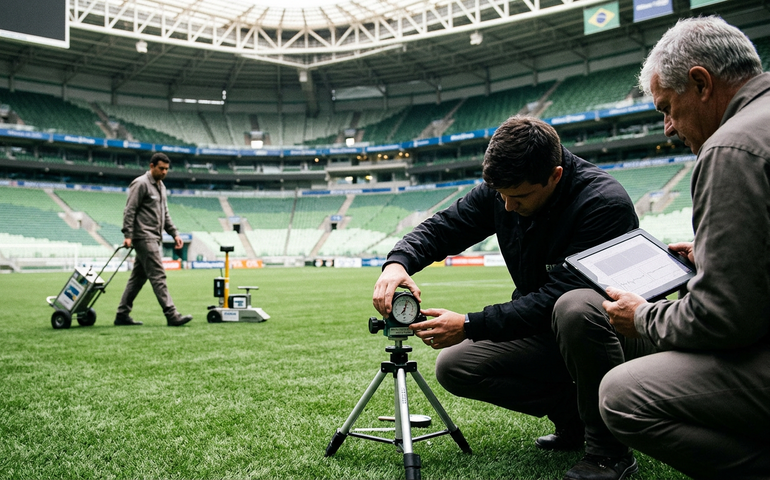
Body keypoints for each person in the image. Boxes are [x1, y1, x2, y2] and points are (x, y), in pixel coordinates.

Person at [372, 116, 640, 480]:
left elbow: (556, 297)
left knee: (573, 308)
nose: (508, 207)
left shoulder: (603, 203)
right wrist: (397, 262)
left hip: (609, 334)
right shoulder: (504, 192)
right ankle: (573, 417)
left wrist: (469, 324)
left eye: (519, 197)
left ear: (556, 176)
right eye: (501, 196)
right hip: (544, 330)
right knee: (455, 367)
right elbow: (446, 227)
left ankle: (610, 452)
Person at [595, 16, 770, 480]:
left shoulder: (731, 147)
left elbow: (723, 319)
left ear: (701, 83)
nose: (669, 127)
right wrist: (712, 253)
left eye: (667, 108)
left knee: (622, 393)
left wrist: (641, 317)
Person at [115, 153, 193, 327]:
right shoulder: (140, 184)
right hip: (143, 236)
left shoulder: (162, 186)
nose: (164, 172)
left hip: (155, 237)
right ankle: (171, 314)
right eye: (161, 168)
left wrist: (175, 234)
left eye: (166, 169)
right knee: (158, 275)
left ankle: (122, 314)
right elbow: (129, 210)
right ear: (152, 166)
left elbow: (165, 214)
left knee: (137, 279)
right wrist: (128, 235)